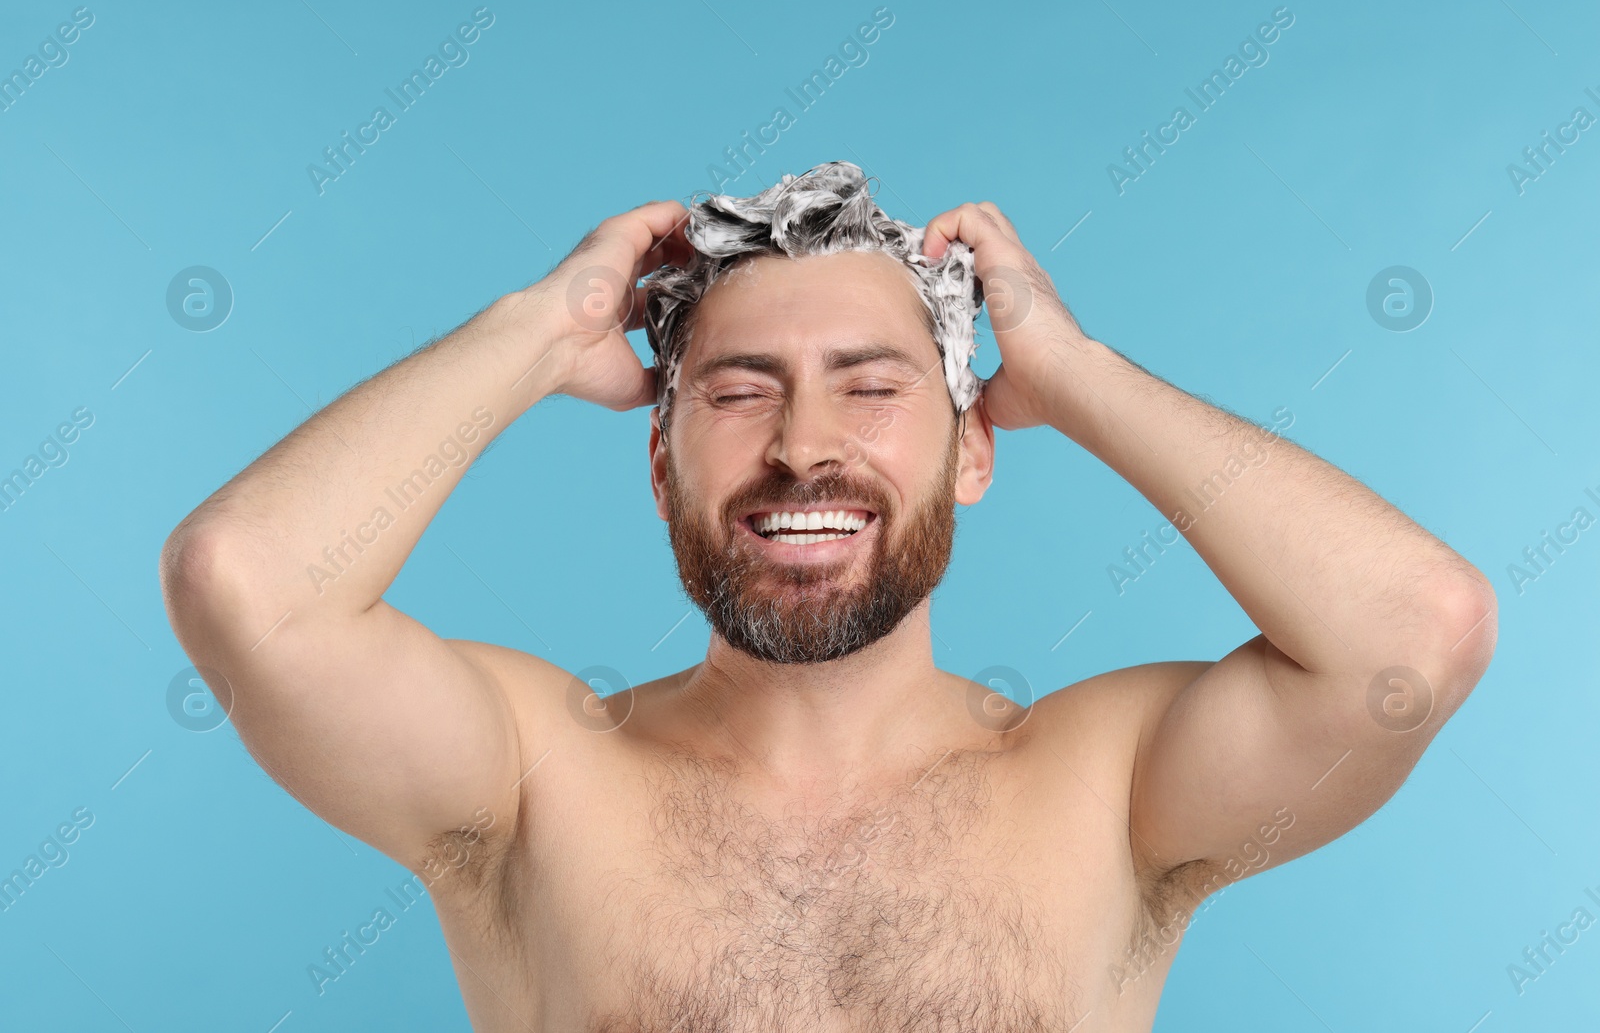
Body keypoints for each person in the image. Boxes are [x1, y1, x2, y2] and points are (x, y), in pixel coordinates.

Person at [159, 161, 1497, 1031]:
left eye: (872, 386)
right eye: (738, 393)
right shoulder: (533, 778)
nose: (805, 445)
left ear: (974, 447)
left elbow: (1415, 633)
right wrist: (536, 328)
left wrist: (1076, 373)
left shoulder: (1109, 786)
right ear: (661, 459)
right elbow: (247, 584)